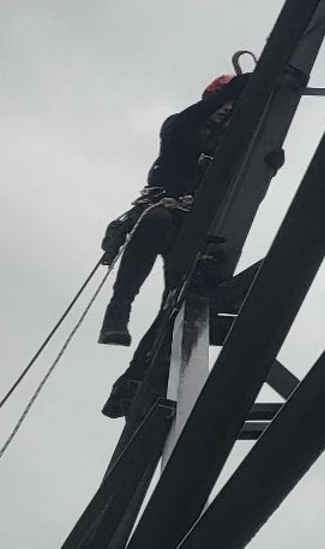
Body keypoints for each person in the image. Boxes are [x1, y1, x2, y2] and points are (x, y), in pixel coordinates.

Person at [96, 72, 250, 417]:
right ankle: (119, 309)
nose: (224, 114)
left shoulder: (231, 148)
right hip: (162, 210)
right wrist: (234, 92)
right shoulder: (179, 129)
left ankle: (134, 379)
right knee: (156, 221)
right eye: (222, 106)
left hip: (193, 227)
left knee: (181, 302)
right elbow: (193, 118)